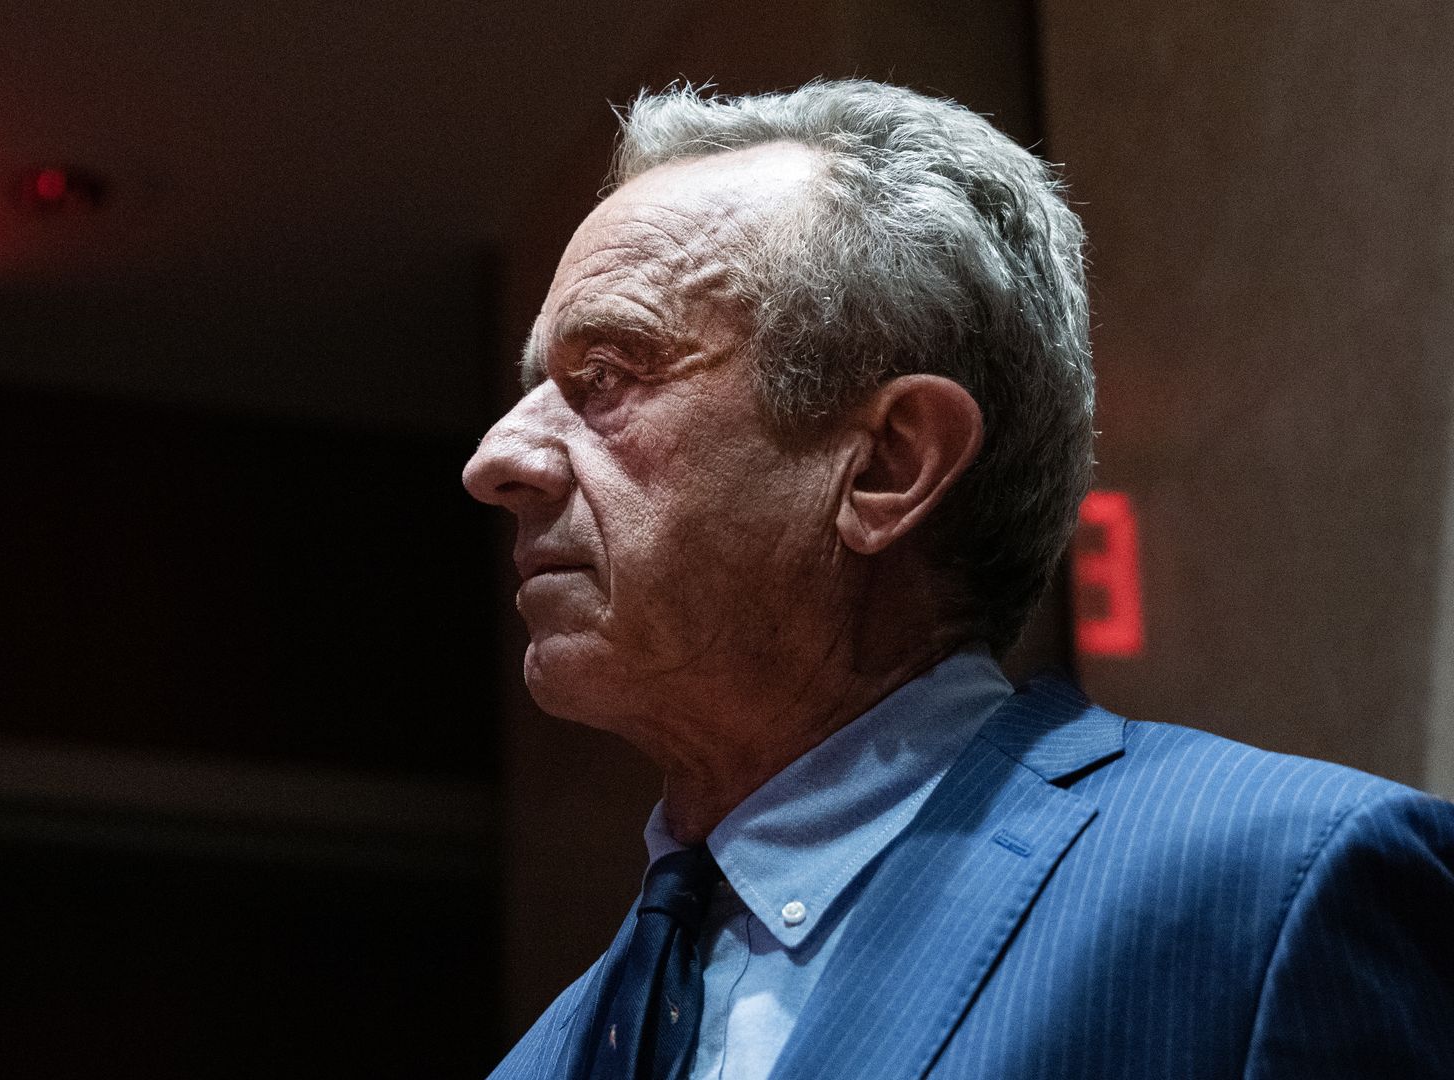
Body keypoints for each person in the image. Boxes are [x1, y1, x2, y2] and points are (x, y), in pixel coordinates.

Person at [462, 79, 1454, 1080]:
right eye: (536, 388)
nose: (498, 458)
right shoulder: (545, 1057)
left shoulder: (1277, 892)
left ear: (889, 466)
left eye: (608, 377)